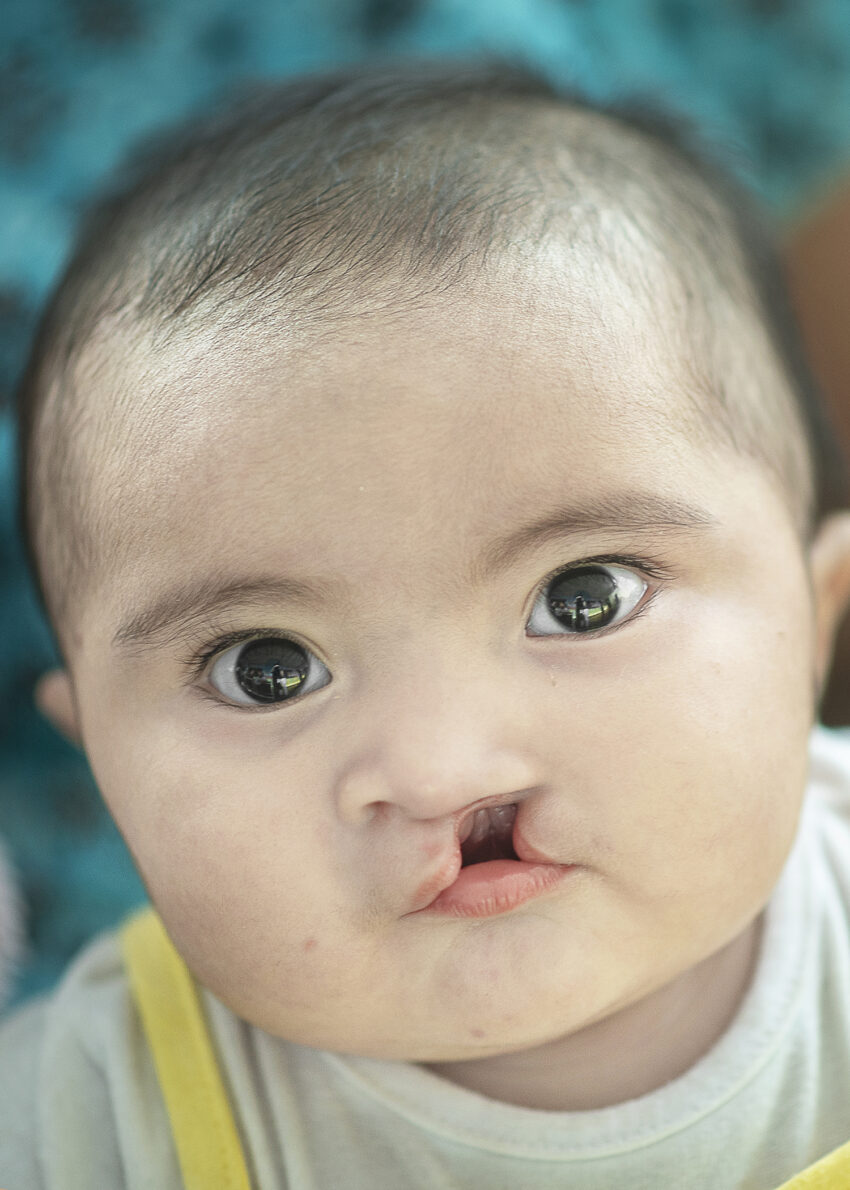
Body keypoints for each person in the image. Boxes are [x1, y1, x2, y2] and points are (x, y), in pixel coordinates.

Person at [3, 59, 850, 1189]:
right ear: (98, 758)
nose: (441, 764)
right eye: (268, 669)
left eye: (582, 597)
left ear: (815, 620)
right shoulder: (82, 1112)